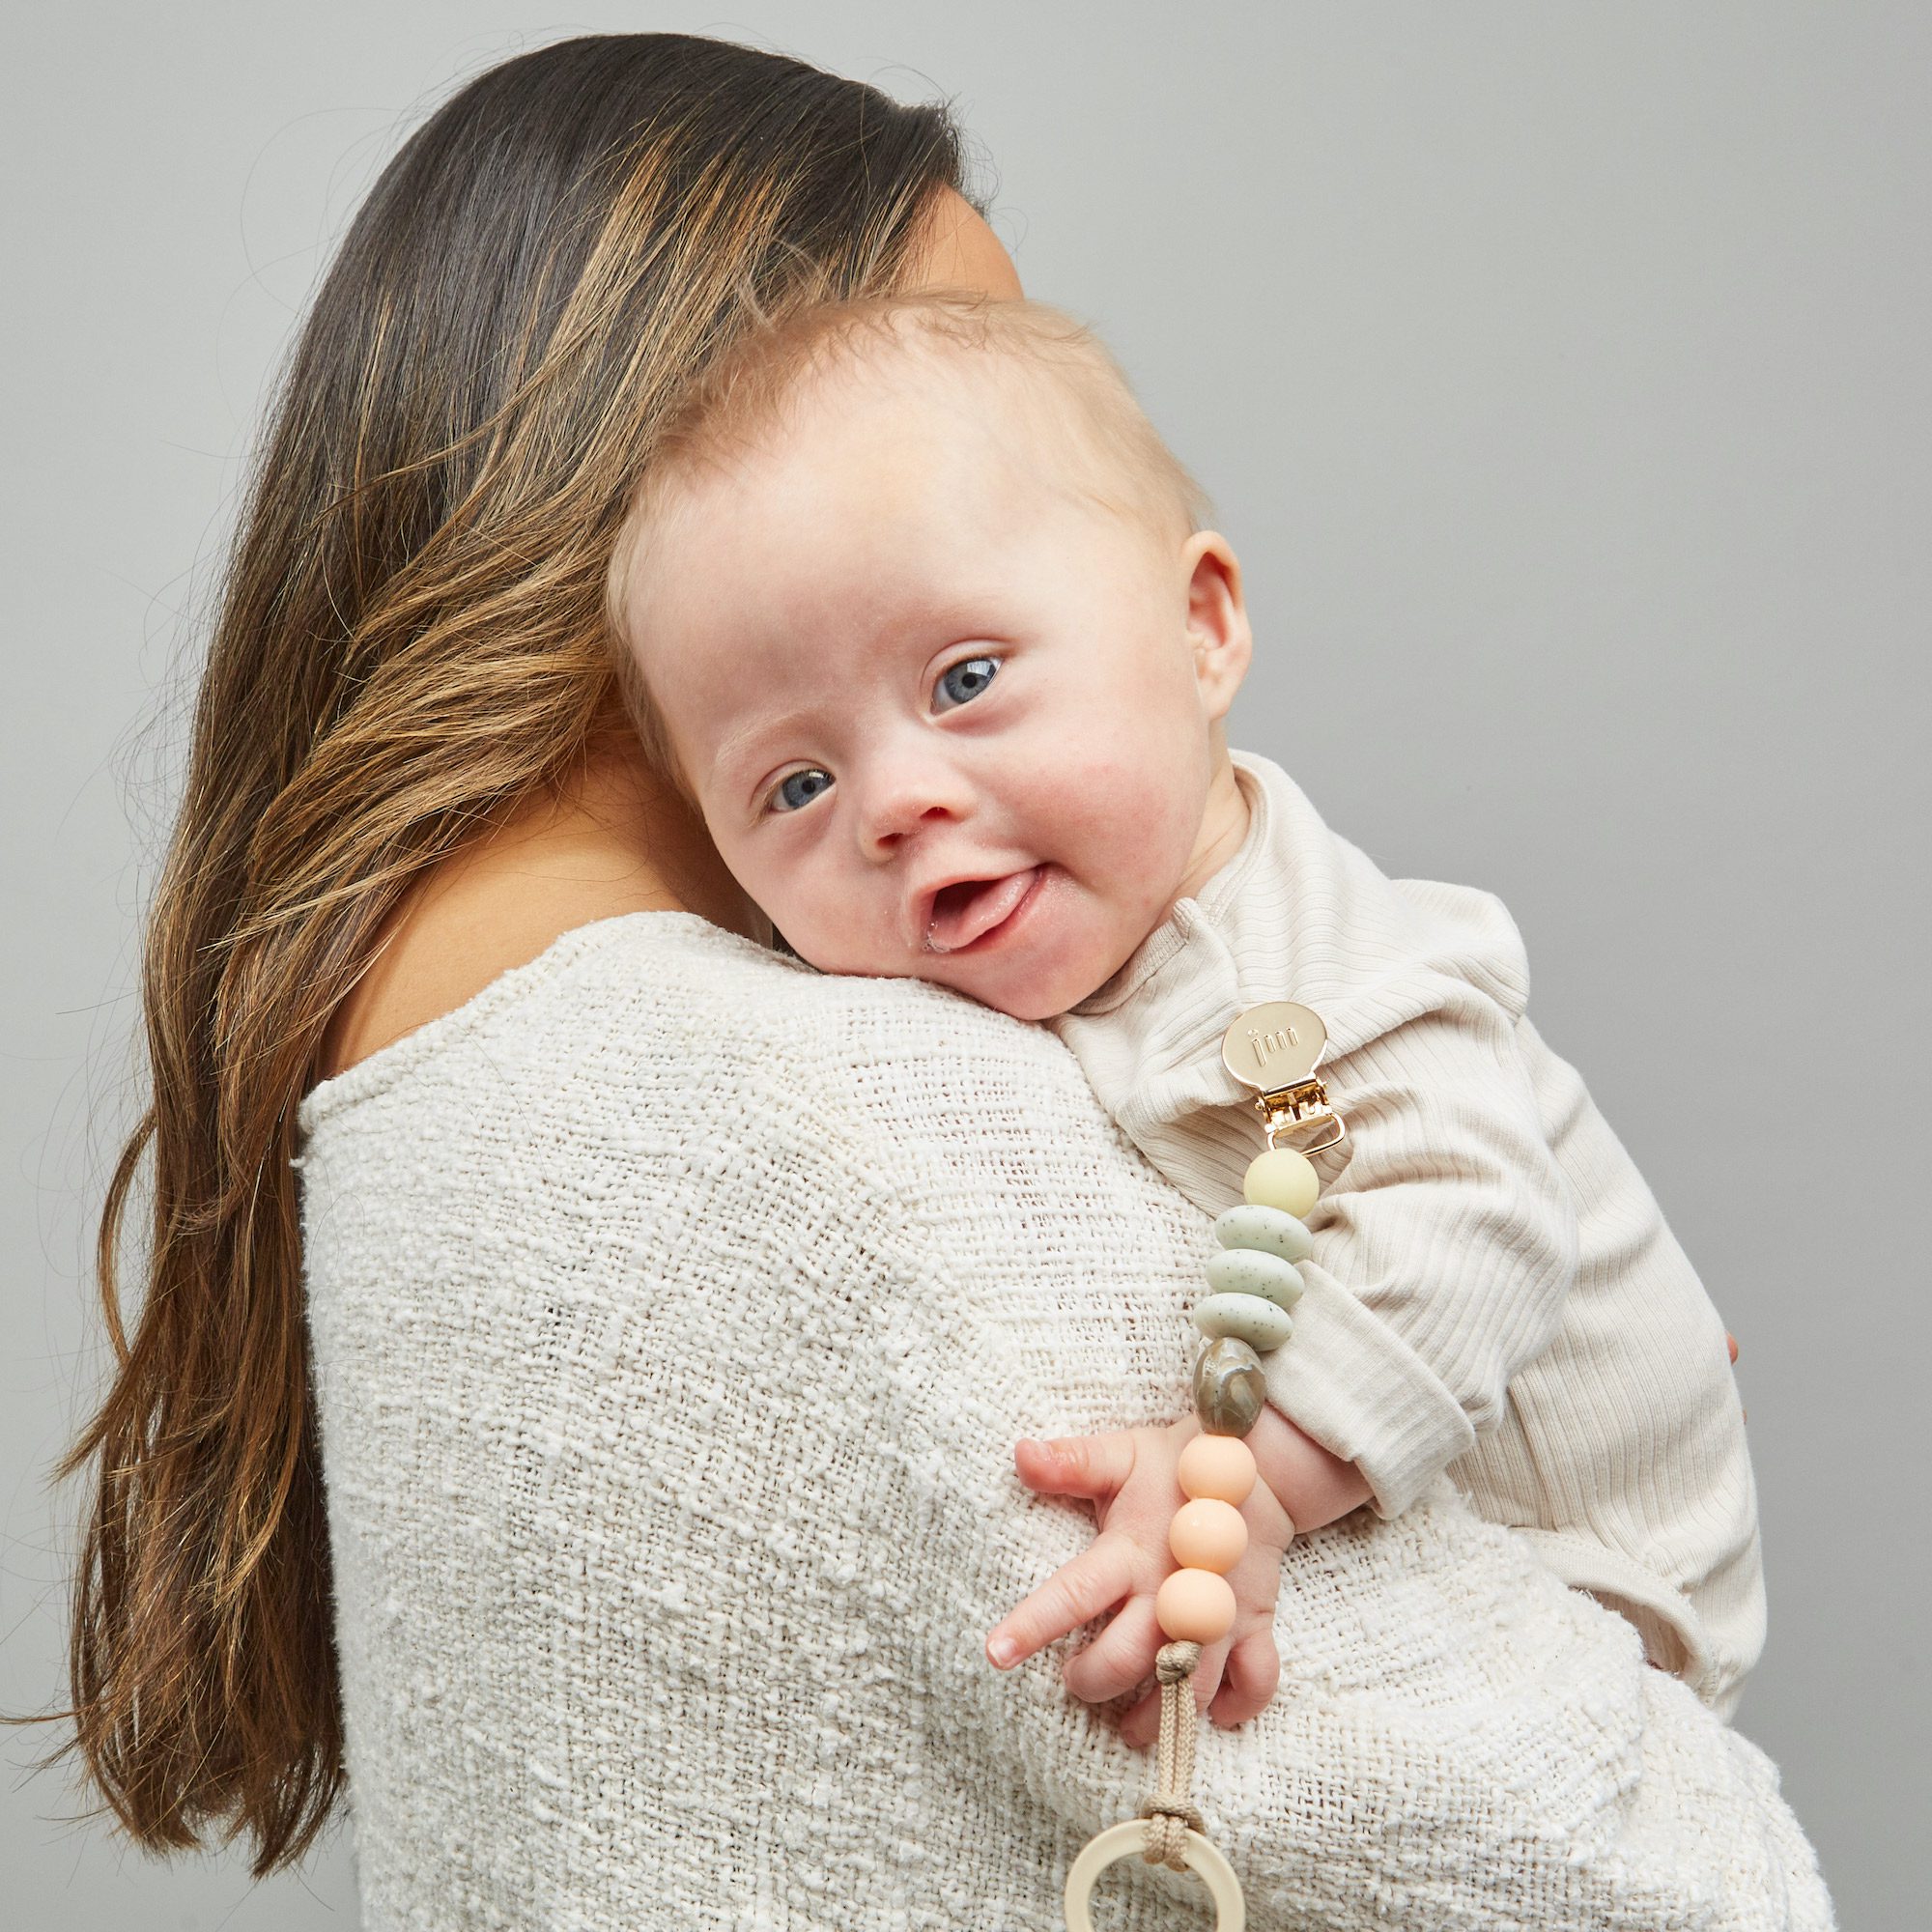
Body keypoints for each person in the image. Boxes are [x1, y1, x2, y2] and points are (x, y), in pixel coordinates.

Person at [39, 31, 1833, 1928]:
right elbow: (1644, 1872)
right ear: (664, 467)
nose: (912, 798)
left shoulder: (421, 1070)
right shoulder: (808, 1114)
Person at [598, 290, 1763, 1724]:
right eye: (795, 785)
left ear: (1202, 628)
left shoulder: (1314, 953)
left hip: (1610, 1583)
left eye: (966, 679)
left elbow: (1478, 1224)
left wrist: (1243, 1490)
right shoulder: (1003, 980)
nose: (897, 803)